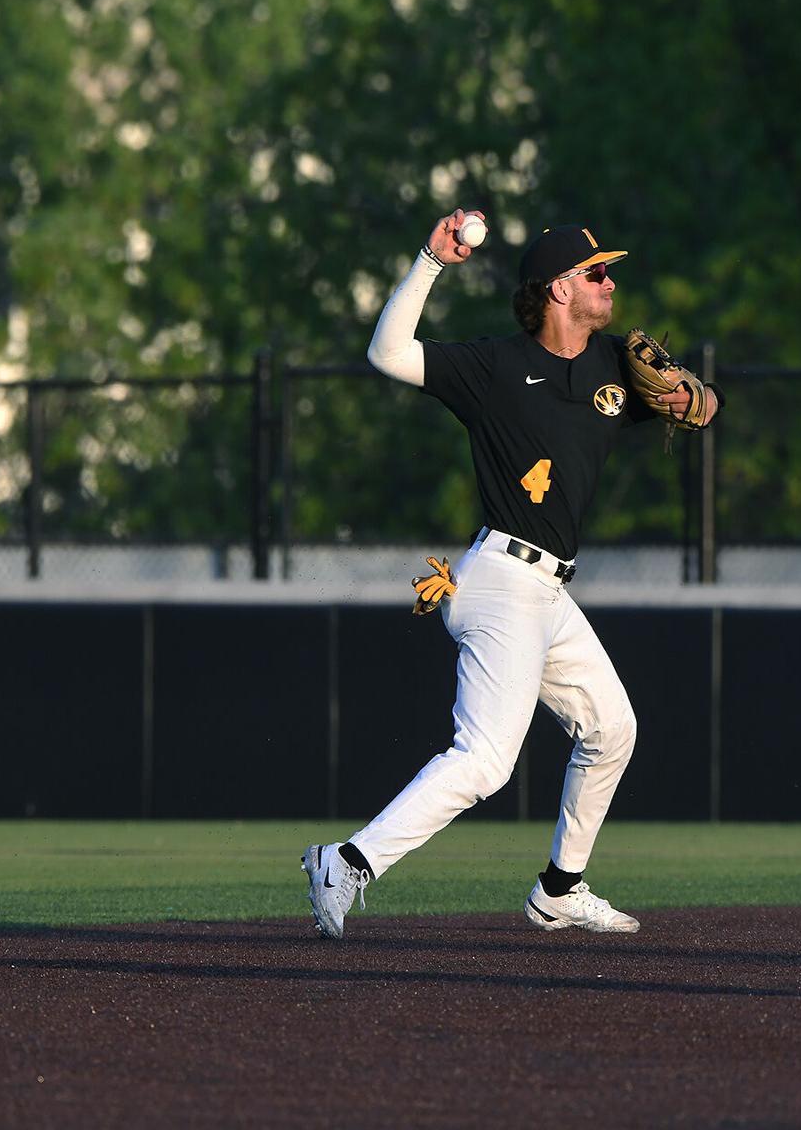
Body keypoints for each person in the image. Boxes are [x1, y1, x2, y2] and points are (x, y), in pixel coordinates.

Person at [301, 209, 721, 938]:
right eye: (596, 274)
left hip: (547, 589)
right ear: (559, 289)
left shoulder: (615, 364)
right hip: (498, 578)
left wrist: (692, 398)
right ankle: (345, 861)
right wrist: (431, 263)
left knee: (612, 726)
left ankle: (559, 888)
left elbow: (701, 402)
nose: (609, 283)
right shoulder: (494, 367)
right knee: (488, 760)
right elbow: (388, 352)